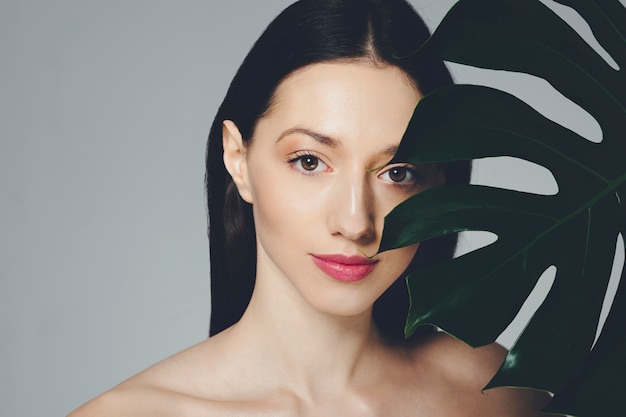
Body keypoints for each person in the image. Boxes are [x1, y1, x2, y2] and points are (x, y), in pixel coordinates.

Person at [69, 0, 550, 415]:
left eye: (397, 173)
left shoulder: (499, 395)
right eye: (309, 161)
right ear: (238, 160)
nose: (355, 222)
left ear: (438, 183)